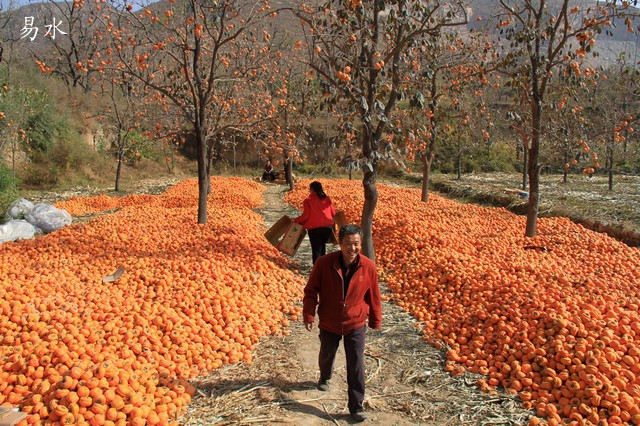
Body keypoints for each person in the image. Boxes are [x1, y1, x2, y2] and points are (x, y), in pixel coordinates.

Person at [303, 224, 382, 422]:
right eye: (348, 244)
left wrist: (375, 319)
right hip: (329, 321)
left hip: (355, 322)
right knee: (326, 354)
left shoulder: (368, 266)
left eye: (356, 244)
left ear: (361, 244)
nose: (352, 249)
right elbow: (311, 290)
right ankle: (325, 375)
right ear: (340, 243)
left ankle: (356, 406)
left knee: (356, 363)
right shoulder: (324, 263)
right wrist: (309, 314)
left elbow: (374, 295)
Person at [294, 181, 336, 264]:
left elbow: (305, 216)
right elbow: (333, 213)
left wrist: (295, 220)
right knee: (322, 248)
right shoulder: (327, 199)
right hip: (327, 228)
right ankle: (323, 267)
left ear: (312, 189)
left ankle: (317, 269)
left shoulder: (308, 200)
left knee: (316, 249)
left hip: (314, 228)